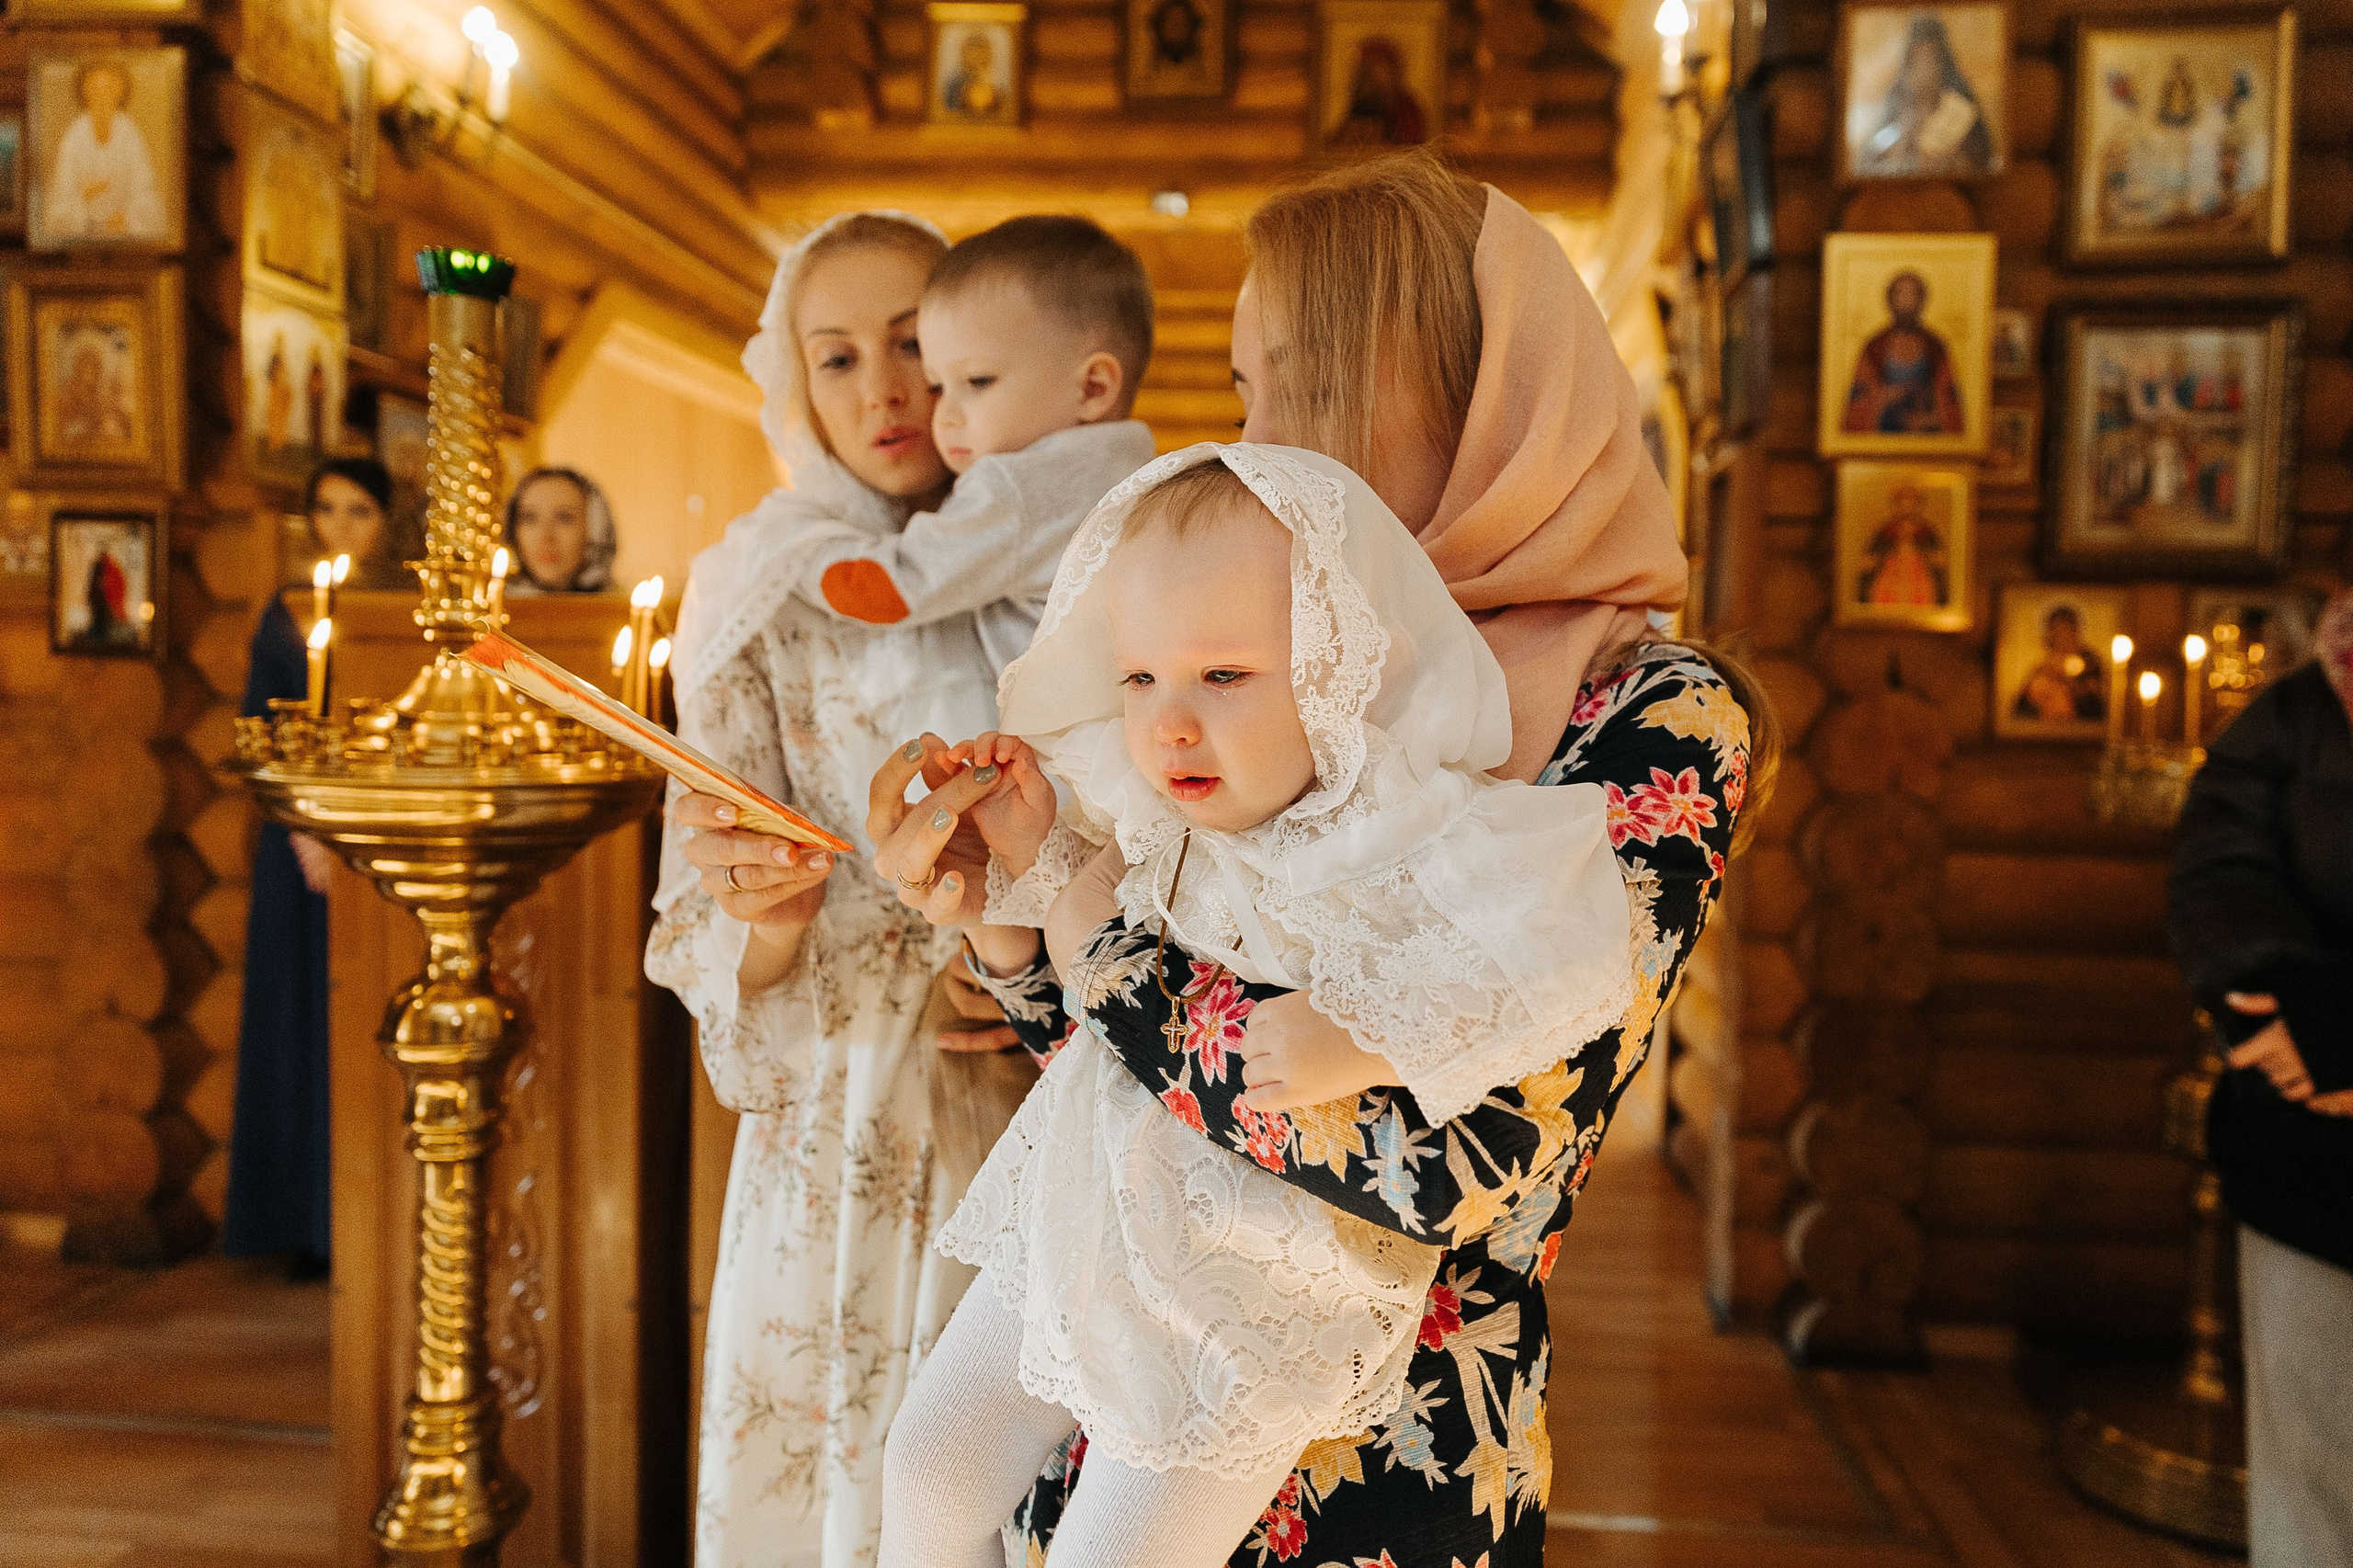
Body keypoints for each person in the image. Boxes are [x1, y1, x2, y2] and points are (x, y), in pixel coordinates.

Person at [865, 147, 1775, 1567]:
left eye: (1298, 384)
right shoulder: (1256, 649)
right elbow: (1125, 1070)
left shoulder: (1652, 716)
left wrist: (1107, 947)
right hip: (1100, 1399)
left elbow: (1456, 1158)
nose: (1259, 439)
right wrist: (1007, 920)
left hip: (1373, 1487)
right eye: (1243, 391)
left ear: (1469, 397)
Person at [879, 446, 1640, 1568]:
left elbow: (1559, 964)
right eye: (1140, 678)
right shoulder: (1154, 819)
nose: (1170, 722)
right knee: (927, 1467)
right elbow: (1092, 953)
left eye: (1224, 676)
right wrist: (1032, 846)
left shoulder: (1423, 829)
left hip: (1254, 1289)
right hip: (1081, 1212)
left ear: (1340, 660)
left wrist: (1371, 1032)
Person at [644, 210, 1044, 1568]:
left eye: (916, 345)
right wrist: (767, 918)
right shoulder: (756, 589)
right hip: (841, 1107)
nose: (884, 389)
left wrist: (1039, 972)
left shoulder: (1065, 557)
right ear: (793, 385)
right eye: (837, 357)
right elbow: (696, 914)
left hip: (1035, 1082)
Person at [2168, 589, 2353, 1568]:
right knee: (2314, 1467)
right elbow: (2220, 869)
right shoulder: (2292, 719)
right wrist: (2283, 1006)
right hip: (2313, 1153)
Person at [785, 213, 1158, 676]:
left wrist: (794, 556)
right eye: (938, 385)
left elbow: (891, 589)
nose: (947, 414)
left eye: (978, 381)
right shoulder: (1142, 465)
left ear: (1093, 387)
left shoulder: (1013, 489)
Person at [221, 457, 396, 1278]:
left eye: (359, 511)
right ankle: (302, 1220)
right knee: (299, 1024)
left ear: (387, 521)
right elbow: (262, 730)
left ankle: (369, 1214)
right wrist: (306, 831)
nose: (341, 527)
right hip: (300, 854)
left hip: (384, 840)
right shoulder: (287, 610)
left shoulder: (400, 609)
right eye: (327, 510)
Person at [1856, 14, 1995, 177]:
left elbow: (1982, 161)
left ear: (1942, 63)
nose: (1923, 69)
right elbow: (1873, 152)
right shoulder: (1897, 104)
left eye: (1929, 59)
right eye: (1916, 60)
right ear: (1908, 63)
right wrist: (1899, 135)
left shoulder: (1958, 108)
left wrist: (1952, 156)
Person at [44, 58, 165, 240]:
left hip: (123, 233)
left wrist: (126, 218)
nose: (102, 96)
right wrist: (84, 197)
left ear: (119, 92)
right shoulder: (73, 137)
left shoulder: (131, 135)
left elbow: (145, 191)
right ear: (85, 92)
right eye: (95, 89)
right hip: (82, 234)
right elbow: (62, 199)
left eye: (108, 89)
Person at [1843, 270, 1962, 436]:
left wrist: (1931, 419)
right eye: (1901, 293)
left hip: (1925, 437)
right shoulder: (1875, 347)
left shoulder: (1935, 346)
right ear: (1890, 300)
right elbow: (1858, 401)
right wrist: (1882, 398)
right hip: (1881, 436)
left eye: (1913, 294)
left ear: (1922, 300)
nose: (1907, 301)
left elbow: (1950, 401)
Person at [502, 466, 618, 596]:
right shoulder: (493, 603)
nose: (545, 537)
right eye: (529, 518)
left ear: (595, 529)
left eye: (563, 518)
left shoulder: (619, 605)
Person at [1858, 483, 1948, 608]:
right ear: (1897, 503)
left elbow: (1937, 556)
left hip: (1918, 573)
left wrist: (1931, 557)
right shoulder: (1887, 529)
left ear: (1918, 504)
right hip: (1891, 573)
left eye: (1911, 500)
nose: (1907, 504)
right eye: (1903, 500)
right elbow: (1873, 555)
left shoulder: (1926, 530)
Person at [2016, 605, 2105, 723]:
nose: (2064, 636)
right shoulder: (2043, 666)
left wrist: (2072, 684)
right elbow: (2023, 708)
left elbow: (2096, 703)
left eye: (2068, 630)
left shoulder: (2090, 662)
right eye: (2058, 631)